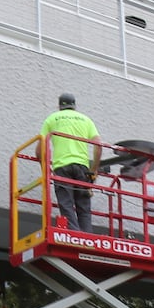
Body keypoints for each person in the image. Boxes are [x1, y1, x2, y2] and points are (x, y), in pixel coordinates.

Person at [42, 92, 100, 233]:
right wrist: (94, 170)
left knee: (66, 203)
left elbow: (39, 149)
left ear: (59, 105)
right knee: (84, 206)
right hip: (82, 167)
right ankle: (87, 237)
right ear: (74, 105)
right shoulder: (86, 120)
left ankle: (73, 235)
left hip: (62, 167)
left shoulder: (52, 119)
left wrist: (45, 169)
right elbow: (98, 146)